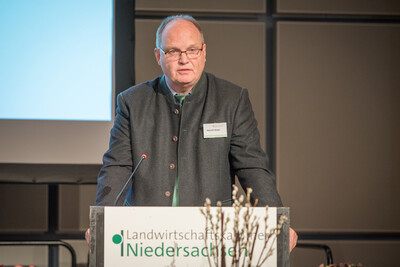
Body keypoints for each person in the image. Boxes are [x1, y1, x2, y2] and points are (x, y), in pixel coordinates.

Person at [90, 14, 297, 251]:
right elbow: (117, 167)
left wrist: (277, 221)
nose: (184, 59)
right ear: (158, 56)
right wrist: (101, 221)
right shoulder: (132, 102)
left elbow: (252, 167)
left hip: (211, 236)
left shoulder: (232, 100)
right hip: (144, 236)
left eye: (192, 50)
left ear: (204, 53)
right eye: (173, 51)